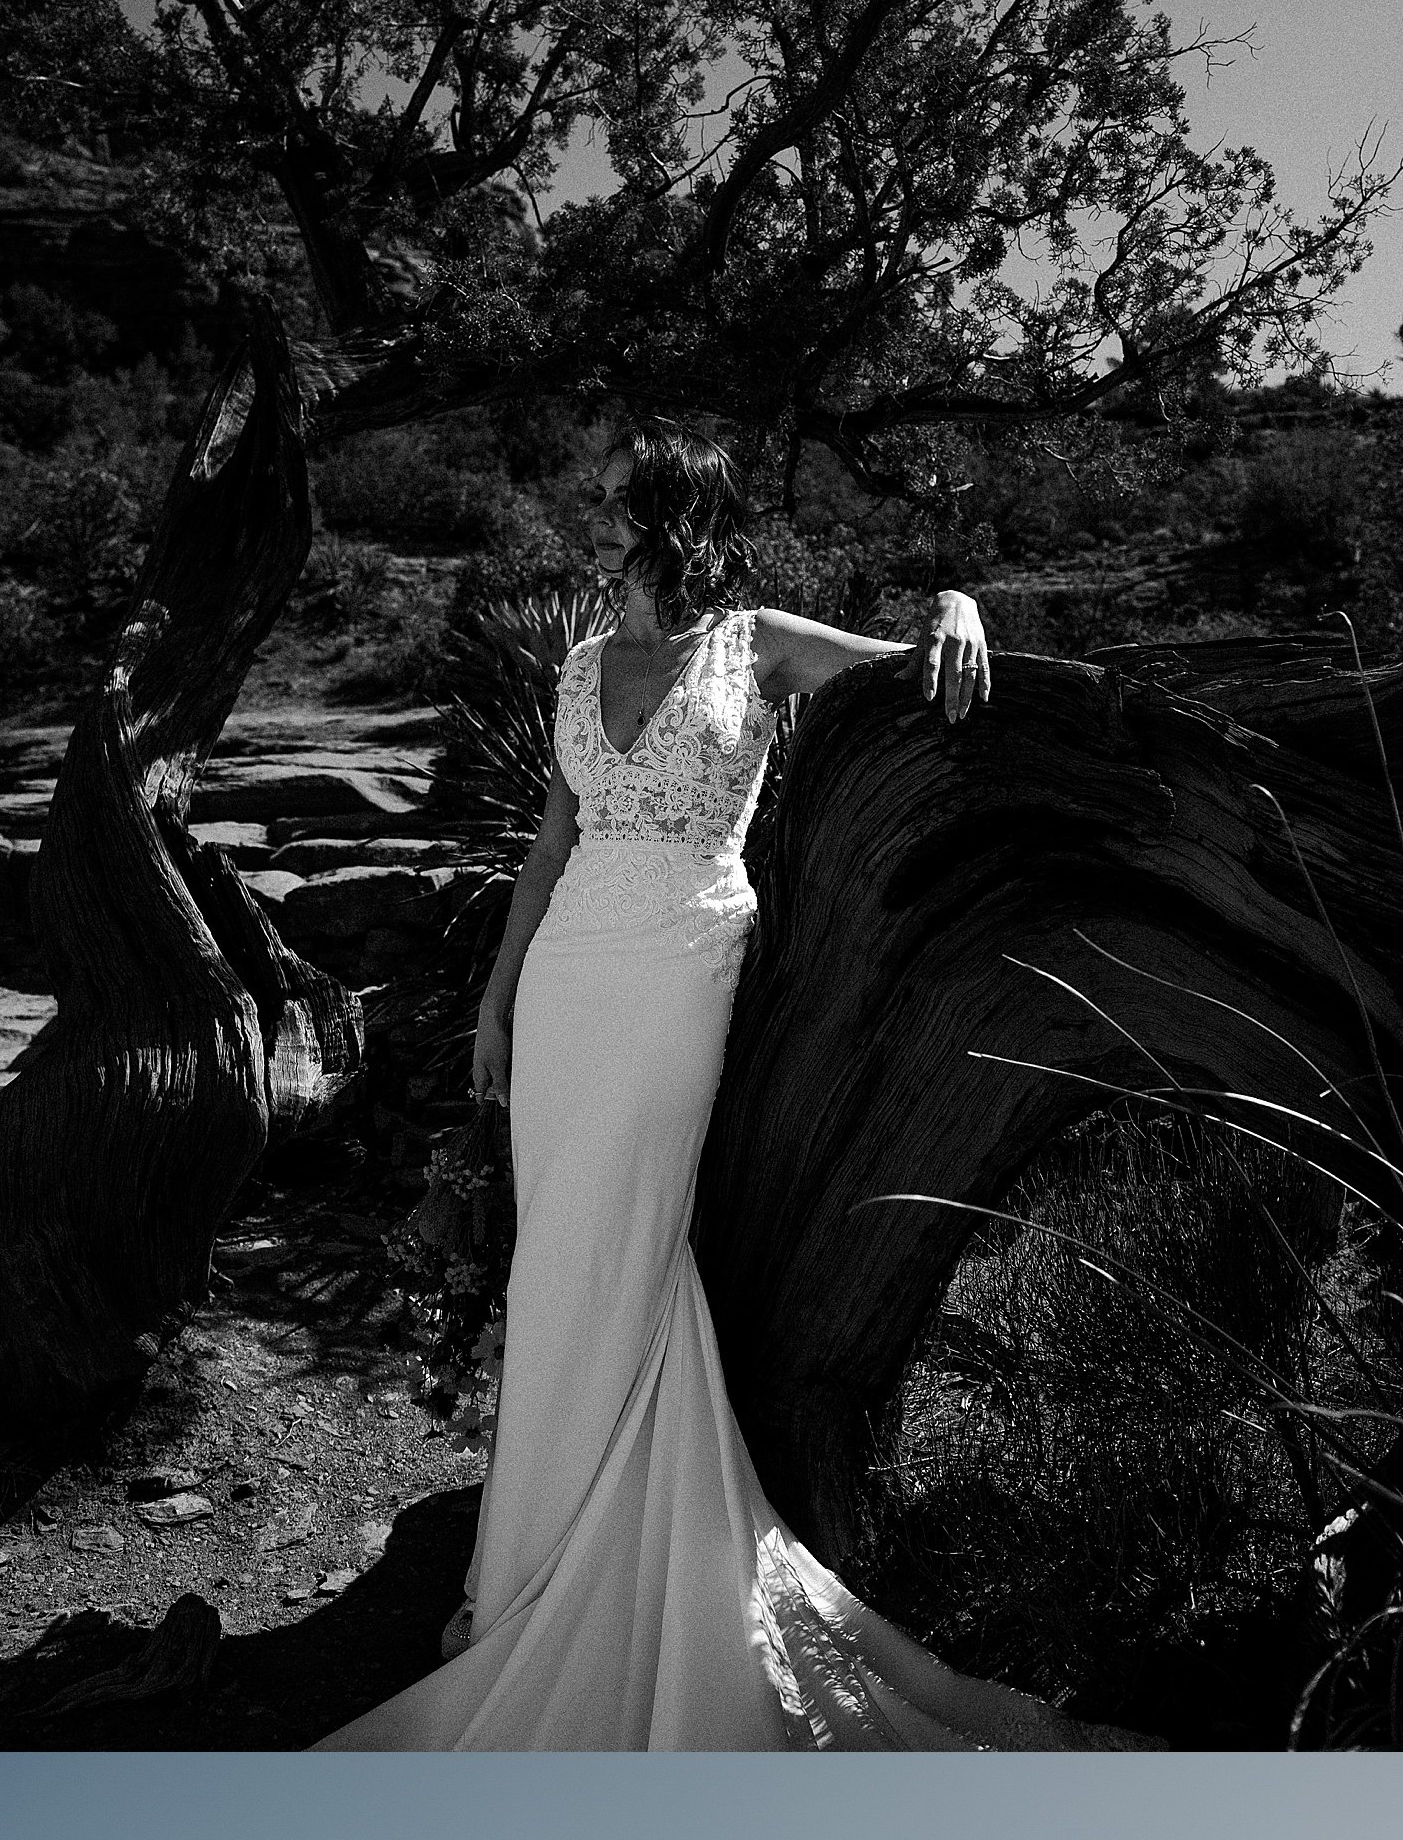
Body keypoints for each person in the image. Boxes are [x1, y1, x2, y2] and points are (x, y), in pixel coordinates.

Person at [336, 513, 1049, 1754]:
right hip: (566, 976)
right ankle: (529, 1572)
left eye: (619, 508)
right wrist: (498, 1001)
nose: (596, 531)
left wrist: (956, 600)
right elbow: (552, 846)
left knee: (626, 1242)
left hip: (682, 962)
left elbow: (906, 673)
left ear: (677, 522)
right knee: (555, 1256)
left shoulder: (755, 643)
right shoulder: (576, 665)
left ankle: (617, 1558)